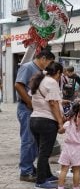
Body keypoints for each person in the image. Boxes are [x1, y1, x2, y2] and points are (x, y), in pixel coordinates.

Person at [15, 49, 55, 182]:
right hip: (26, 109)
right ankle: (25, 171)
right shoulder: (27, 67)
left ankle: (31, 168)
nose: (50, 65)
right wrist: (29, 102)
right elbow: (18, 85)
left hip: (36, 110)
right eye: (50, 62)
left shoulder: (41, 71)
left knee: (35, 141)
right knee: (28, 140)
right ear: (43, 58)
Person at [29, 61, 64, 189]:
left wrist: (61, 102)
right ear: (58, 72)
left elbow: (40, 99)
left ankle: (47, 175)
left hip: (34, 120)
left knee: (41, 150)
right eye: (61, 74)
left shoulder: (40, 79)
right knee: (45, 152)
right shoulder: (52, 82)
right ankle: (40, 181)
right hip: (47, 121)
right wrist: (60, 122)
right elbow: (53, 104)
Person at [57, 102, 80, 189]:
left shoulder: (67, 124)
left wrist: (61, 126)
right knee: (76, 170)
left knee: (63, 170)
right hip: (77, 150)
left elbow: (60, 131)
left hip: (67, 148)